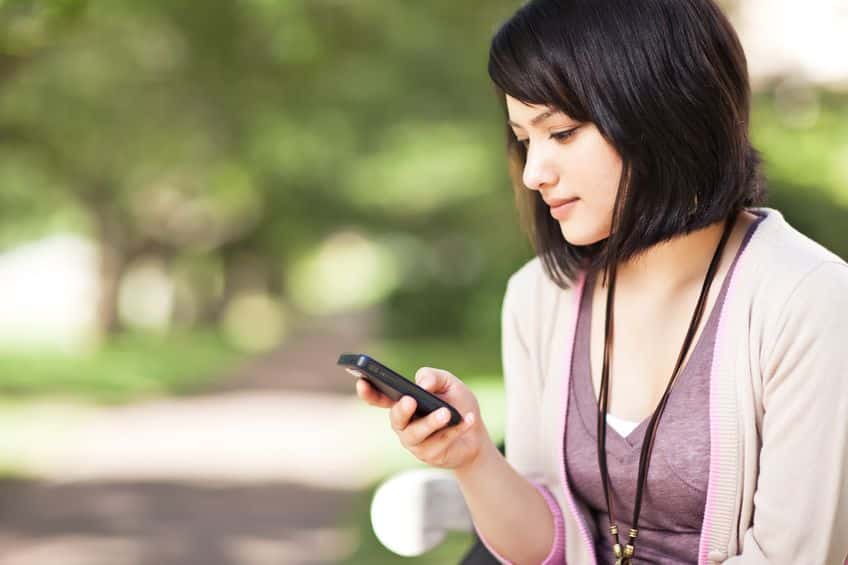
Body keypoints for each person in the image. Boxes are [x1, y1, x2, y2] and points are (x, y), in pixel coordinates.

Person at [356, 0, 848, 563]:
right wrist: (470, 456)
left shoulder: (810, 301)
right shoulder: (539, 298)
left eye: (561, 132)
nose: (535, 171)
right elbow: (547, 543)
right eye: (524, 139)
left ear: (664, 113)